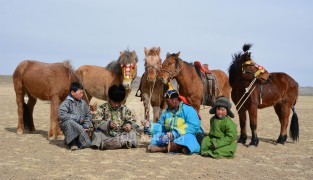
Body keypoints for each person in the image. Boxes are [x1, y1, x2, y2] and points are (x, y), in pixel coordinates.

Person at [141, 83, 203, 154]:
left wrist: (174, 133)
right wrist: (149, 126)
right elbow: (162, 126)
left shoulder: (188, 110)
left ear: (175, 100)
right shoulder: (166, 113)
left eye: (168, 101)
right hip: (171, 137)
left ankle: (162, 148)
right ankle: (175, 148)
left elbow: (194, 126)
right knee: (157, 137)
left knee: (188, 139)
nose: (166, 103)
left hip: (188, 135)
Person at [91, 84, 139, 150]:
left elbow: (131, 119)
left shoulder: (124, 109)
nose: (116, 105)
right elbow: (96, 121)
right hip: (106, 135)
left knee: (132, 133)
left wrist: (129, 124)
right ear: (109, 99)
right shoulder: (101, 108)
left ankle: (111, 144)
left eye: (119, 102)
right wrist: (108, 124)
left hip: (121, 133)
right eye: (114, 102)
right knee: (98, 134)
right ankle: (118, 143)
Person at [59, 82, 93, 151]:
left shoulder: (83, 103)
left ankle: (71, 139)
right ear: (72, 92)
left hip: (81, 127)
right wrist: (77, 118)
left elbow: (88, 115)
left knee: (87, 144)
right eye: (80, 93)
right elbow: (61, 115)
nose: (82, 95)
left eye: (82, 93)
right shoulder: (66, 103)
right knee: (69, 122)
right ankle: (72, 143)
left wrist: (85, 126)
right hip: (69, 125)